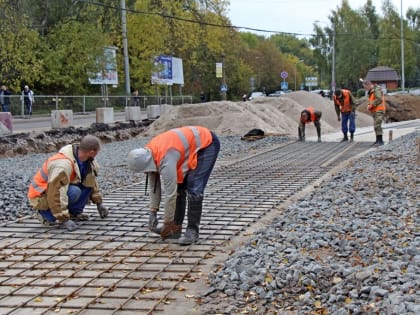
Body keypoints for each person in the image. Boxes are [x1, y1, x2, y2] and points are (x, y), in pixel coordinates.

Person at [127, 126, 220, 245]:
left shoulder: (165, 158)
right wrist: (152, 212)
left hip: (207, 143)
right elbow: (153, 186)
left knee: (194, 186)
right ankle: (175, 228)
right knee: (180, 186)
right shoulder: (147, 154)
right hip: (186, 147)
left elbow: (170, 194)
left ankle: (192, 230)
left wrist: (167, 223)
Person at [27, 135, 109, 231]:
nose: (97, 154)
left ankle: (73, 213)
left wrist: (99, 203)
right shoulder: (62, 165)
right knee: (74, 191)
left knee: (86, 184)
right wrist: (64, 219)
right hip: (41, 195)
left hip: (57, 190)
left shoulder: (87, 161)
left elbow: (91, 181)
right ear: (92, 152)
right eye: (97, 151)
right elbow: (55, 192)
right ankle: (45, 214)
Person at [361, 80, 386, 145]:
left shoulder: (376, 89)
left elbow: (379, 99)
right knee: (376, 126)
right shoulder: (372, 91)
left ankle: (380, 141)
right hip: (375, 110)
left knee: (377, 125)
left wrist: (371, 105)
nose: (365, 89)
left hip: (379, 110)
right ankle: (378, 140)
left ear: (368, 85)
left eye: (365, 87)